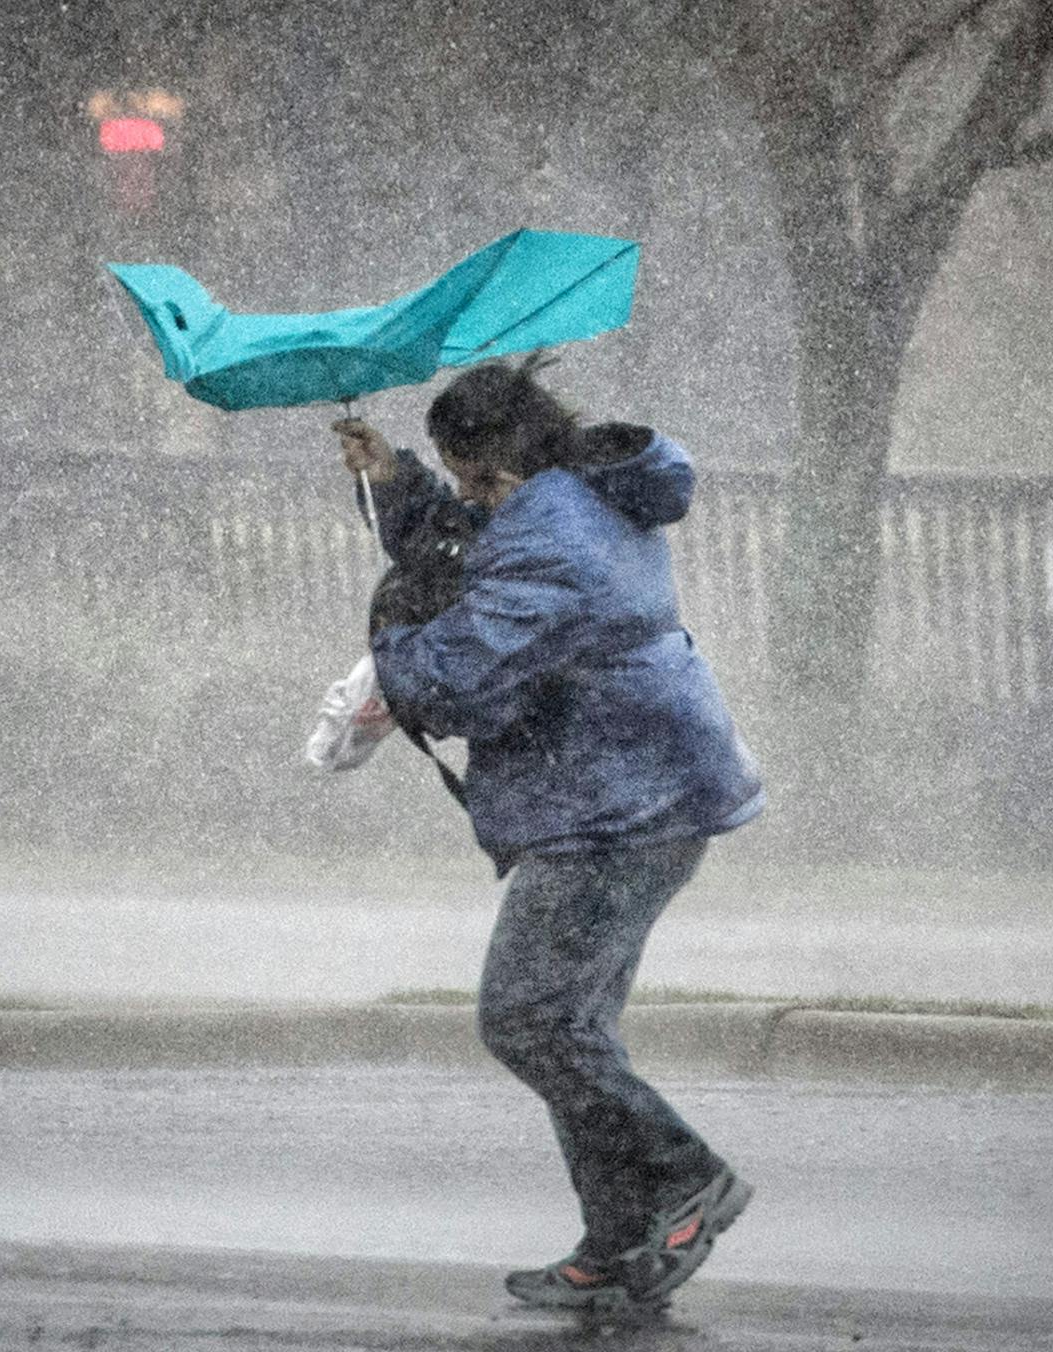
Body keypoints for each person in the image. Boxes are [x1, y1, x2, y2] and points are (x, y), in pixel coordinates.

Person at [331, 356, 765, 1310]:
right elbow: (463, 547)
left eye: (459, 469)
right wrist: (392, 481)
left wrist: (389, 650)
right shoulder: (567, 496)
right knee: (571, 1027)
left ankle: (684, 1176)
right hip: (636, 787)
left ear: (497, 461)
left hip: (618, 807)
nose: (461, 488)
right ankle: (617, 1243)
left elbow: (460, 679)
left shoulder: (555, 538)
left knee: (527, 1020)